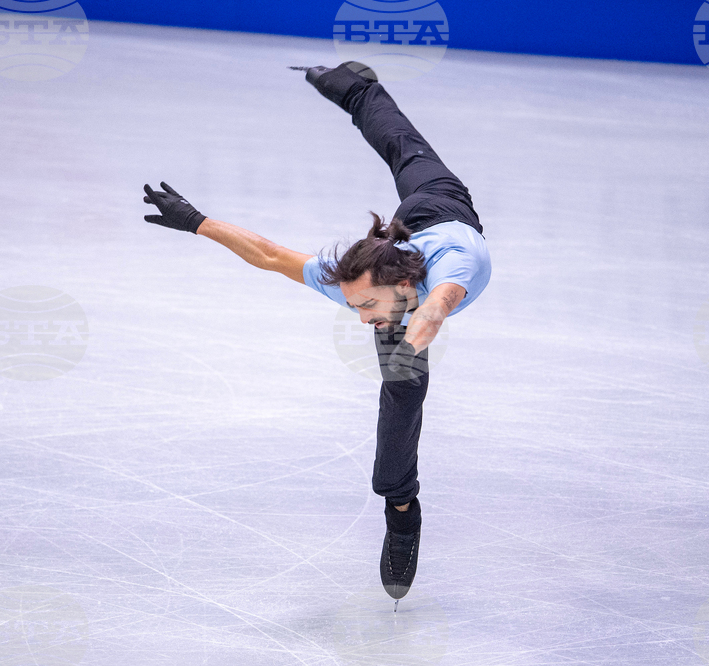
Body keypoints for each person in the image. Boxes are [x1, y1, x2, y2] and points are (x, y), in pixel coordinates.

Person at [142, 62, 491, 603]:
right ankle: (402, 510)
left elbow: (435, 309)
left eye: (366, 306)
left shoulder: (456, 266)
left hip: (442, 209)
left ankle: (352, 84)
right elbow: (271, 255)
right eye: (353, 305)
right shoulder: (357, 281)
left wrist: (409, 343)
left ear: (399, 284)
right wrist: (195, 220)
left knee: (404, 148)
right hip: (405, 259)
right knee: (399, 389)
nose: (359, 318)